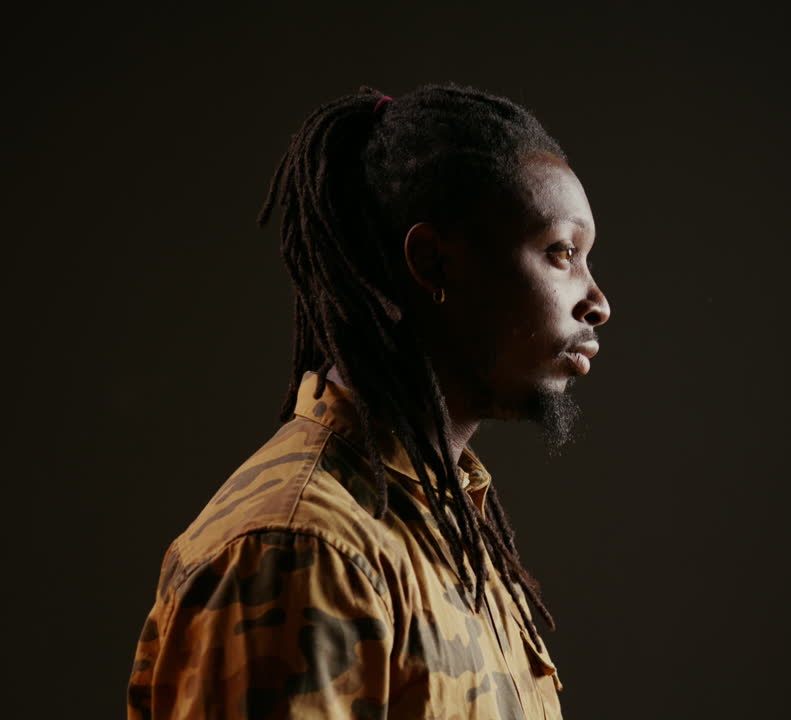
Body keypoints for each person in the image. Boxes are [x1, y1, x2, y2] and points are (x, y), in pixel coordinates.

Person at [125, 84, 611, 719]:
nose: (597, 301)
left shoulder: (447, 521)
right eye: (561, 253)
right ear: (433, 265)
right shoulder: (303, 549)